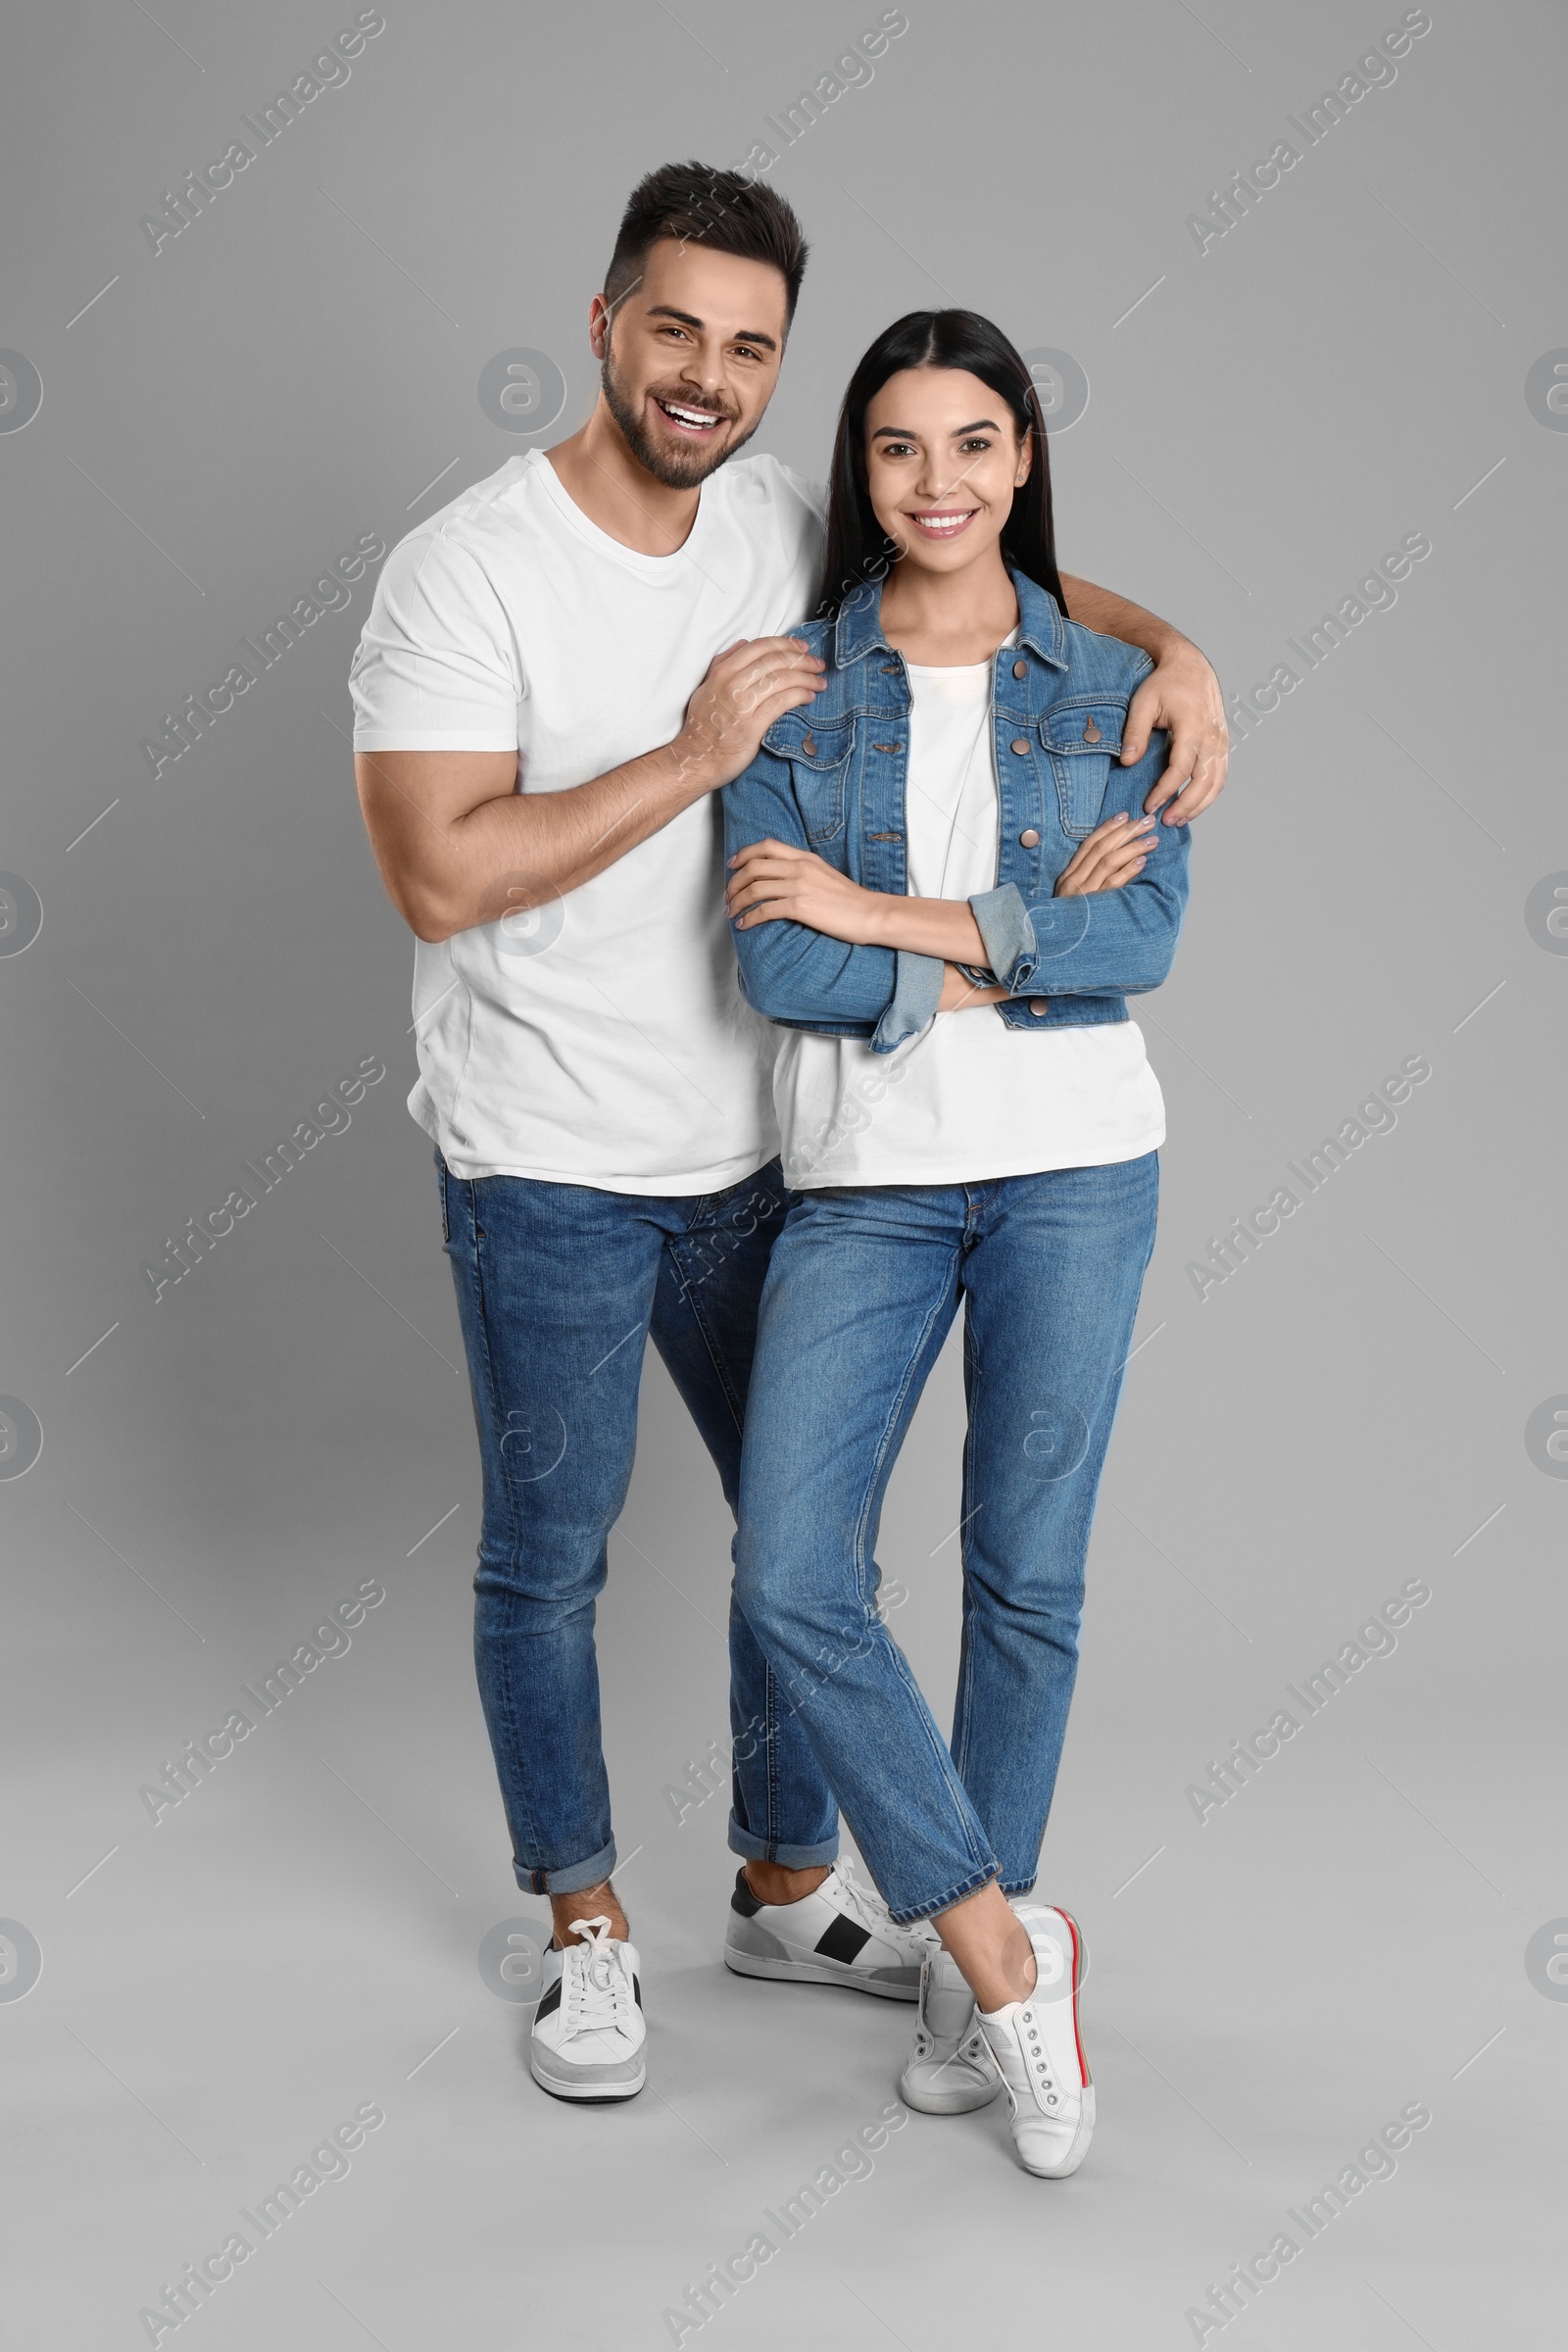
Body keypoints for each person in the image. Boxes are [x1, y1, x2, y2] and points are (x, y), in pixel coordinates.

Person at [350, 163, 1226, 2106]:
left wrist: (1178, 661)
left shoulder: (779, 526)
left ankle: (777, 1881)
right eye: (674, 328)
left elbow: (993, 571)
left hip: (767, 1160)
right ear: (600, 324)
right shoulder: (462, 570)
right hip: (547, 1161)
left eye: (749, 344)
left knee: (797, 1556)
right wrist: (691, 754)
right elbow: (433, 873)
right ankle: (583, 1923)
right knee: (547, 1564)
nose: (708, 374)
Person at [724, 308, 1192, 2175]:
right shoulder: (791, 684)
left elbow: (1140, 945)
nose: (939, 484)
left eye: (975, 444)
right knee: (790, 1570)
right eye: (901, 449)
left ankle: (950, 1983)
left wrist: (885, 913)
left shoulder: (1106, 685)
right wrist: (1000, 947)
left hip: (1084, 1170)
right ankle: (1002, 1946)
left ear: (1023, 461)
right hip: (869, 1184)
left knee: (1026, 1577)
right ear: (863, 470)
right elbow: (778, 958)